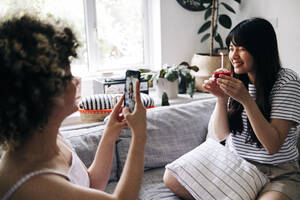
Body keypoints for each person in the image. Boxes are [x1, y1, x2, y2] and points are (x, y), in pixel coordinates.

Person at [0, 14, 147, 200]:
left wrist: (109, 134)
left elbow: (93, 183)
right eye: (66, 75)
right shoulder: (30, 184)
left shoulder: (49, 136)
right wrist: (140, 135)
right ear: (41, 93)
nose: (76, 81)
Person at [163, 18, 300, 200]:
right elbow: (221, 135)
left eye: (242, 49)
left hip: (276, 172)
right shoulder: (236, 79)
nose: (233, 56)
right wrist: (221, 98)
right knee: (172, 177)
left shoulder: (287, 82)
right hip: (236, 165)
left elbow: (272, 145)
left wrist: (246, 100)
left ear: (261, 50)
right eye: (231, 48)